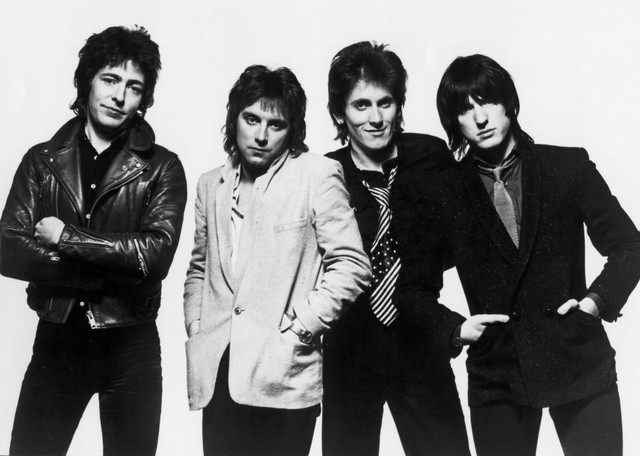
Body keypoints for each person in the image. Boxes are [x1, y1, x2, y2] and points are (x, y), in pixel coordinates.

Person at [399, 53, 640, 456]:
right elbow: (411, 290)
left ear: (509, 103)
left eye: (487, 101)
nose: (480, 118)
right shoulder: (443, 193)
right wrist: (456, 329)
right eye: (465, 109)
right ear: (453, 123)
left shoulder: (566, 165)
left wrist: (595, 303)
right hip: (497, 370)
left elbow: (630, 245)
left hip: (577, 355)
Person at [0, 26, 187, 456]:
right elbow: (8, 248)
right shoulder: (42, 161)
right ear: (87, 81)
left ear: (144, 98)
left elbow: (156, 255)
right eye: (110, 79)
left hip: (131, 345)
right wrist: (98, 273)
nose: (120, 96)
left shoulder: (162, 168)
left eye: (134, 87)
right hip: (58, 340)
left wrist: (66, 237)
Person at [183, 64, 371, 456]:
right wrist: (197, 326)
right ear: (234, 118)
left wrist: (304, 325)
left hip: (283, 374)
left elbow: (352, 265)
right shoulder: (210, 184)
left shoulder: (317, 174)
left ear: (292, 130)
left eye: (276, 124)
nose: (261, 135)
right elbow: (200, 266)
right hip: (219, 374)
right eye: (251, 119)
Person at [322, 41, 471, 456]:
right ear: (340, 113)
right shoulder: (325, 172)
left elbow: (460, 237)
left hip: (420, 341)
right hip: (349, 349)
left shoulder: (431, 156)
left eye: (385, 103)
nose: (375, 118)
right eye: (361, 105)